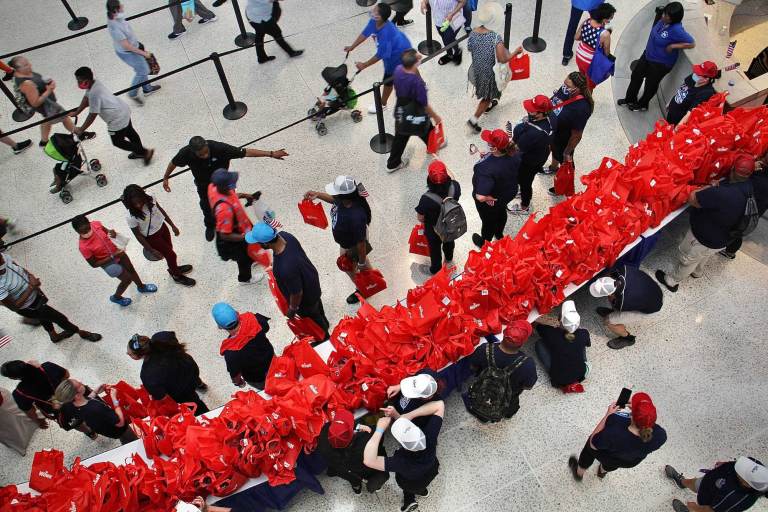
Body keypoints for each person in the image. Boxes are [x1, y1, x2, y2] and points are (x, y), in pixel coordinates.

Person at [655, 154, 756, 292]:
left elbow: (692, 198)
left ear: (732, 169)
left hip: (704, 238)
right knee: (704, 256)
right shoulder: (748, 187)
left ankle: (672, 281)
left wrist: (709, 188)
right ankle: (698, 272)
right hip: (723, 239)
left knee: (688, 258)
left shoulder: (722, 193)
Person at [163, 136, 288, 242]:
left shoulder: (220, 148)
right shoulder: (185, 153)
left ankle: (234, 224)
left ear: (207, 145)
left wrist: (271, 154)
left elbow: (245, 152)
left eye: (206, 151)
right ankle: (210, 225)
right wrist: (166, 177)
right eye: (201, 154)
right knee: (206, 207)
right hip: (203, 186)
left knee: (231, 206)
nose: (205, 155)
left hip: (224, 184)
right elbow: (173, 162)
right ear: (193, 151)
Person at [245, 223, 330, 340]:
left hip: (305, 300)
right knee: (318, 308)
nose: (257, 244)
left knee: (312, 317)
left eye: (258, 242)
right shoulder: (286, 236)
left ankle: (324, 337)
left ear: (265, 243)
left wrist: (292, 309)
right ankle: (325, 324)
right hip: (311, 281)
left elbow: (297, 293)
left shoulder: (285, 268)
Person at [0, 252, 101, 343]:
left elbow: (19, 268)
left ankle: (53, 336)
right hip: (29, 307)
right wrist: (31, 287)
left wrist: (31, 277)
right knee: (60, 319)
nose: (3, 258)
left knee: (45, 318)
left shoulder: (3, 256)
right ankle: (81, 333)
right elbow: (14, 307)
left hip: (36, 296)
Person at [305, 175, 374, 305]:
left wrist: (362, 261)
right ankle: (368, 281)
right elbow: (334, 200)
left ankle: (364, 289)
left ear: (343, 196)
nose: (334, 195)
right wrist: (318, 194)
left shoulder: (355, 217)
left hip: (352, 245)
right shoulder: (345, 200)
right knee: (355, 266)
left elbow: (361, 243)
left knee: (349, 267)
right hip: (347, 242)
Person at [365, 401, 445, 512]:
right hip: (431, 469)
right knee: (422, 484)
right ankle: (421, 491)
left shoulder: (402, 463)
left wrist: (379, 430)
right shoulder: (429, 436)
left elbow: (369, 460)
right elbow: (440, 405)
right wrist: (401, 416)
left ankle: (411, 497)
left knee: (410, 488)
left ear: (404, 447)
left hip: (410, 481)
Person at [569, 392, 667, 480]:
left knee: (589, 450)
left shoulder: (614, 426)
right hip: (627, 462)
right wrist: (639, 413)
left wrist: (608, 415)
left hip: (606, 455)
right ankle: (602, 472)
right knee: (612, 463)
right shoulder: (661, 435)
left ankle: (579, 473)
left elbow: (593, 443)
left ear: (632, 415)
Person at [618, 2, 695, 112]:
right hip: (648, 55)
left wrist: (673, 45)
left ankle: (642, 104)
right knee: (636, 75)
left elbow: (691, 43)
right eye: (664, 13)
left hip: (660, 63)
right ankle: (630, 99)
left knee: (650, 84)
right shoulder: (662, 20)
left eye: (667, 16)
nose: (663, 16)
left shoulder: (677, 30)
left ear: (674, 19)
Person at [71, 66, 155, 165]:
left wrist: (81, 129)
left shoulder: (94, 93)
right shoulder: (95, 83)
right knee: (130, 132)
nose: (78, 83)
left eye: (79, 81)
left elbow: (92, 115)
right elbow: (86, 98)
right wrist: (77, 112)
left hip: (116, 119)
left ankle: (145, 152)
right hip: (123, 109)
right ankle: (139, 152)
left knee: (118, 142)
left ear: (86, 81)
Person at [72, 214, 158, 306]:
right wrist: (113, 256)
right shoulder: (83, 247)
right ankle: (116, 297)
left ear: (89, 223)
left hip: (118, 252)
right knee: (127, 280)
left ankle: (141, 287)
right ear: (77, 231)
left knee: (131, 269)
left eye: (88, 228)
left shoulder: (96, 224)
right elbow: (94, 264)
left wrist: (112, 233)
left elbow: (108, 233)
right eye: (83, 231)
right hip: (108, 263)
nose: (87, 232)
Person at [8, 56, 95, 147]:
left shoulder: (24, 73)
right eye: (25, 65)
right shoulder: (27, 83)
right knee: (64, 117)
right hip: (47, 105)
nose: (30, 65)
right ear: (18, 69)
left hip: (48, 103)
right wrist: (49, 90)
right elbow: (35, 102)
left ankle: (44, 141)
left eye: (28, 62)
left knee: (48, 120)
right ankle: (79, 133)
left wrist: (45, 84)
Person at [344, 2, 413, 114]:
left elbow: (381, 55)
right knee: (410, 66)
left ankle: (382, 104)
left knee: (388, 80)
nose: (372, 11)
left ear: (380, 17)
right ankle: (420, 83)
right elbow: (365, 33)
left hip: (397, 55)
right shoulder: (374, 21)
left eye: (375, 10)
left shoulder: (386, 33)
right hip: (402, 47)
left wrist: (364, 65)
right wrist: (352, 47)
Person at [122, 184, 196, 287]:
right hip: (152, 238)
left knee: (170, 250)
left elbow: (160, 210)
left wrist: (172, 225)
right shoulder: (131, 217)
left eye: (140, 201)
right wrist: (151, 250)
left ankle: (173, 268)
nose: (138, 205)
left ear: (143, 196)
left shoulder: (150, 197)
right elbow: (138, 235)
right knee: (171, 255)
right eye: (135, 204)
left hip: (162, 227)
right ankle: (176, 276)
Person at [466, 2, 524, 132]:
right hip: (490, 72)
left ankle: (489, 103)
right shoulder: (495, 38)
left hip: (477, 68)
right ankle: (474, 119)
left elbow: (470, 48)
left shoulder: (473, 32)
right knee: (487, 97)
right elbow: (503, 59)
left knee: (485, 92)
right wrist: (515, 52)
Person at [387, 49, 442, 172]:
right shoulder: (417, 84)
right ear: (414, 63)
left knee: (400, 135)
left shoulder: (398, 70)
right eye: (418, 57)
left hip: (401, 108)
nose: (421, 56)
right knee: (426, 129)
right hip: (415, 111)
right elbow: (425, 105)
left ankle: (392, 163)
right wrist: (436, 116)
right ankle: (432, 146)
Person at [127, 331, 209, 414]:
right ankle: (200, 384)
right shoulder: (161, 338)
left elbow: (163, 397)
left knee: (195, 403)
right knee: (194, 379)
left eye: (130, 354)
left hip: (182, 391)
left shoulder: (147, 375)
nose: (128, 354)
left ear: (137, 356)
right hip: (190, 367)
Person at [208, 169, 262, 284]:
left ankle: (252, 258)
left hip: (242, 226)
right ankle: (245, 279)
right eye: (232, 183)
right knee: (243, 259)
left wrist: (244, 195)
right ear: (224, 186)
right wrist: (247, 236)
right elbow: (225, 235)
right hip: (237, 236)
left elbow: (229, 196)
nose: (235, 185)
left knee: (250, 250)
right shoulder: (224, 210)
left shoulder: (213, 187)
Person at [316, 409, 390, 494]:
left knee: (353, 479)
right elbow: (378, 442)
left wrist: (356, 427)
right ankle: (377, 487)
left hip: (342, 469)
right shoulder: (366, 441)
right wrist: (377, 430)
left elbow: (334, 428)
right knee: (371, 475)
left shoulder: (323, 435)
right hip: (365, 469)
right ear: (352, 434)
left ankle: (357, 488)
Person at [589, 267, 664, 350]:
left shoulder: (623, 301)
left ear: (610, 294)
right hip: (654, 291)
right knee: (615, 305)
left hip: (651, 308)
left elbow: (620, 304)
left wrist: (613, 302)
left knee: (608, 321)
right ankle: (613, 313)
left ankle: (627, 338)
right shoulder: (623, 269)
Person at [471, 128, 520, 248]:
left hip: (492, 200)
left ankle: (485, 242)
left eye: (490, 143)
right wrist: (489, 156)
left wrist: (488, 197)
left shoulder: (484, 168)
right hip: (508, 192)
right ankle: (499, 234)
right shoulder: (515, 152)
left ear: (494, 148)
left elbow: (480, 196)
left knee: (488, 221)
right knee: (501, 212)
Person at [106, 0, 161, 106]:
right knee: (143, 70)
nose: (122, 6)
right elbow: (126, 46)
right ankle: (132, 93)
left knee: (142, 68)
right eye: (120, 6)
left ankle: (147, 88)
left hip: (133, 46)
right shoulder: (114, 27)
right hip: (129, 53)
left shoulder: (115, 16)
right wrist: (143, 53)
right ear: (115, 10)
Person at [546, 71, 594, 193]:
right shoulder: (565, 89)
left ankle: (562, 187)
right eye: (564, 84)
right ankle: (553, 167)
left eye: (568, 86)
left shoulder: (582, 108)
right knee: (554, 149)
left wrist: (567, 151)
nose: (564, 88)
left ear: (577, 88)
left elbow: (577, 135)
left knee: (565, 161)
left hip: (565, 138)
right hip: (555, 131)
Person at [507, 95, 556, 214]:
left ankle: (525, 206)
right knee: (526, 179)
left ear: (540, 114)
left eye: (531, 110)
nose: (528, 111)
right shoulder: (552, 116)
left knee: (525, 182)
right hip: (541, 154)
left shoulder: (533, 134)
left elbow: (516, 149)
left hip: (529, 161)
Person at [665, 457, 768, 512]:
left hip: (709, 499)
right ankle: (682, 482)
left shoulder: (737, 499)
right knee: (694, 483)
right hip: (711, 479)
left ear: (746, 484)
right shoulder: (757, 467)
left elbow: (710, 510)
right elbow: (742, 462)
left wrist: (694, 507)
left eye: (740, 471)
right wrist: (726, 464)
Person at [52, 379, 138, 444]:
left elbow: (87, 400)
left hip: (105, 427)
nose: (81, 382)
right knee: (131, 441)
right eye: (79, 384)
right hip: (120, 430)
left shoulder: (70, 404)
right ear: (76, 394)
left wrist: (96, 391)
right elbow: (120, 422)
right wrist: (114, 399)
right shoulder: (95, 408)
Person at [211, 302, 275, 389]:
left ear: (220, 326)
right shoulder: (254, 319)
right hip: (273, 361)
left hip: (258, 378)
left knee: (269, 390)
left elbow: (235, 375)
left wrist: (239, 383)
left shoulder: (230, 352)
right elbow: (266, 327)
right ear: (237, 314)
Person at [415, 160, 461, 275]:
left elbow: (420, 218)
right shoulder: (455, 186)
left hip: (434, 229)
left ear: (429, 180)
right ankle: (449, 259)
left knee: (435, 249)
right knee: (449, 241)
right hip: (451, 223)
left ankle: (435, 269)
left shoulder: (426, 199)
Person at [534, 301, 590, 392]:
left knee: (539, 344)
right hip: (581, 373)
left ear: (559, 319)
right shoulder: (584, 333)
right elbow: (587, 343)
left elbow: (536, 325)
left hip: (559, 379)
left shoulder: (551, 333)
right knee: (580, 343)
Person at [0, 360, 69, 432]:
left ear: (13, 378)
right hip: (70, 392)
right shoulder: (47, 366)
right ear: (25, 363)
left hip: (55, 407)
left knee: (74, 421)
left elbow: (31, 412)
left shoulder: (19, 393)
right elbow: (67, 375)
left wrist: (39, 422)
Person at [721, 155, 768, 259]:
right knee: (739, 230)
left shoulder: (758, 177)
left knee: (735, 230)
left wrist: (751, 168)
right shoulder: (761, 174)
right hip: (755, 210)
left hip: (745, 208)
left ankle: (726, 249)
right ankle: (730, 252)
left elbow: (739, 180)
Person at [467, 320, 538, 390]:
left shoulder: (483, 349)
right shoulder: (527, 364)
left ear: (504, 332)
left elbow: (473, 367)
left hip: (480, 391)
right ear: (524, 341)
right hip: (506, 400)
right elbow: (528, 387)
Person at [573, 3, 616, 89]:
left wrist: (588, 37)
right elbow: (606, 53)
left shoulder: (587, 21)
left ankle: (578, 92)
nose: (610, 20)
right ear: (604, 19)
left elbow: (576, 37)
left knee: (581, 78)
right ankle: (586, 99)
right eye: (610, 18)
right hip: (590, 62)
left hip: (579, 57)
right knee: (589, 85)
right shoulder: (605, 34)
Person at [665, 61, 720, 125]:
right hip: (671, 111)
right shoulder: (693, 78)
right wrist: (671, 101)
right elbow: (682, 88)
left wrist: (677, 128)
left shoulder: (706, 93)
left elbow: (690, 113)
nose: (695, 74)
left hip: (678, 120)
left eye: (698, 74)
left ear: (706, 79)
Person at [421, 0, 465, 65]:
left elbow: (463, 1)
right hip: (438, 20)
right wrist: (423, 2)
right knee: (445, 38)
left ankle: (457, 51)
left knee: (448, 39)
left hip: (454, 19)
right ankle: (450, 54)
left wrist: (452, 14)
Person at [562, 0, 605, 66]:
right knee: (598, 24)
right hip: (595, 2)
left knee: (572, 25)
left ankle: (566, 54)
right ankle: (596, 54)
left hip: (578, 2)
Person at [0, 385, 38, 456]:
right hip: (4, 403)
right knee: (9, 427)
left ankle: (20, 443)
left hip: (3, 401)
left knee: (17, 415)